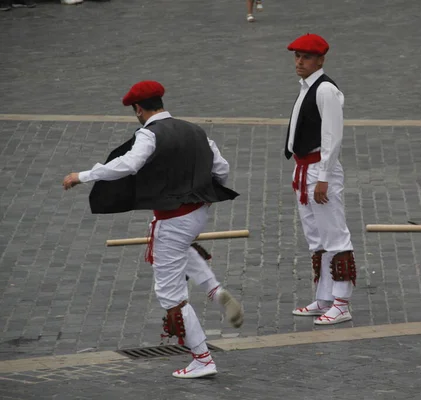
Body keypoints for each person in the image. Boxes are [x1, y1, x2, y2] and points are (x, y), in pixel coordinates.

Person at [62, 81, 243, 379]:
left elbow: (127, 165)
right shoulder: (196, 131)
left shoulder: (149, 134)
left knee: (170, 293)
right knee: (180, 249)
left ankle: (202, 358)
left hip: (173, 220)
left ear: (138, 109)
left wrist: (82, 175)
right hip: (198, 212)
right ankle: (214, 290)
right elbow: (221, 168)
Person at [285, 33, 357, 325]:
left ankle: (342, 301)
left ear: (320, 60)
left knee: (334, 235)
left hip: (318, 170)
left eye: (306, 57)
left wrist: (324, 177)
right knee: (316, 237)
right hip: (305, 169)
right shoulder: (308, 86)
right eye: (297, 56)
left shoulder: (325, 90)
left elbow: (332, 136)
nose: (299, 62)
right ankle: (325, 296)